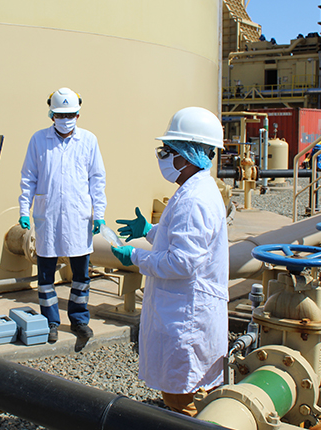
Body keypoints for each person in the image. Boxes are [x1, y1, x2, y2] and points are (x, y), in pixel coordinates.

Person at [111, 107, 228, 416]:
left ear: (188, 154)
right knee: (188, 395)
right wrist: (150, 231)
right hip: (185, 312)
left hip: (187, 316)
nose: (162, 156)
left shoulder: (194, 199)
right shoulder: (195, 189)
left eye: (167, 150)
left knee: (183, 402)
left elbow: (182, 262)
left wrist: (135, 256)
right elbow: (180, 240)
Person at [18, 87, 107, 343]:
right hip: (48, 217)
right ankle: (50, 321)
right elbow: (28, 178)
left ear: (78, 114)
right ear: (51, 114)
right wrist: (25, 210)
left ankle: (79, 320)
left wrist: (98, 213)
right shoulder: (38, 140)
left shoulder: (89, 140)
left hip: (79, 217)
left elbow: (97, 179)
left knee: (81, 274)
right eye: (61, 114)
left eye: (71, 114)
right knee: (46, 275)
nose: (66, 119)